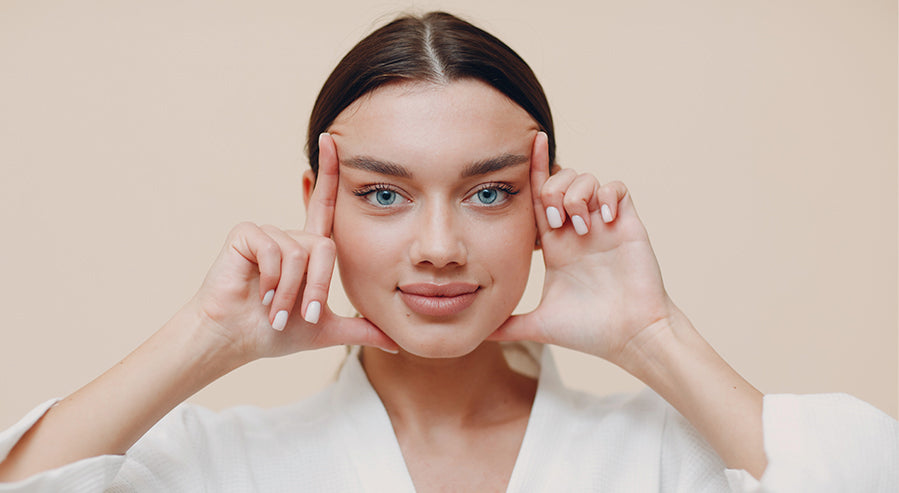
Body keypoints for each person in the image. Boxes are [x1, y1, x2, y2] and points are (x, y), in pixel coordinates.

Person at [0, 11, 895, 493]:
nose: (437, 247)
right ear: (318, 204)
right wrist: (207, 335)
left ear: (543, 207)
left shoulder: (667, 459)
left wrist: (648, 334)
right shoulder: (215, 464)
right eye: (383, 194)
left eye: (489, 192)